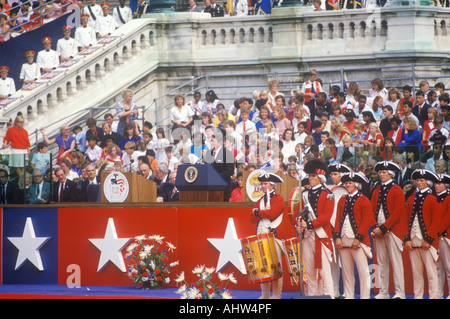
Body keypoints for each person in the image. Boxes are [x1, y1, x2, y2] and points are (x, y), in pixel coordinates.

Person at [333, 171, 375, 299]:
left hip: (358, 241)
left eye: (350, 183)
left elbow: (366, 220)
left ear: (356, 184)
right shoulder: (342, 199)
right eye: (346, 183)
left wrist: (358, 238)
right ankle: (349, 296)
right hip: (343, 239)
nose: (347, 185)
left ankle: (365, 297)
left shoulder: (364, 200)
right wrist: (337, 237)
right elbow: (338, 218)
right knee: (346, 272)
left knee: (363, 272)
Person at [297, 158, 335, 297]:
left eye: (313, 176)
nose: (310, 178)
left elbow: (326, 217)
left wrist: (309, 224)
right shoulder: (305, 194)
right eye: (309, 176)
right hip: (307, 236)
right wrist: (299, 225)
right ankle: (312, 296)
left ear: (320, 177)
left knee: (325, 272)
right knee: (310, 273)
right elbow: (298, 213)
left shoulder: (328, 194)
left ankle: (329, 296)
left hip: (321, 236)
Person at [370, 161, 407, 299]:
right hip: (378, 230)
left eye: (384, 172)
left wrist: (384, 227)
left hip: (393, 231)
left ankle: (400, 292)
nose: (381, 174)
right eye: (380, 172)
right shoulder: (376, 190)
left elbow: (397, 213)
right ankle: (384, 292)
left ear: (391, 174)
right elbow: (371, 210)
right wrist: (375, 226)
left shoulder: (397, 190)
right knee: (381, 262)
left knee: (396, 262)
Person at [404, 169, 441, 299]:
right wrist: (406, 239)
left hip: (426, 240)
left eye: (422, 181)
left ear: (428, 183)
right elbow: (406, 219)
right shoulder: (411, 198)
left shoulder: (432, 199)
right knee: (416, 272)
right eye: (418, 180)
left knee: (431, 273)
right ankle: (417, 296)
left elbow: (436, 220)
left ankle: (434, 296)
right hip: (413, 240)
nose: (419, 183)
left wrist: (429, 239)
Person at [250, 172, 286, 299]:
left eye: (265, 184)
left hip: (273, 238)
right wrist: (261, 213)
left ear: (272, 185)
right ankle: (265, 295)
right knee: (263, 268)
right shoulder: (260, 200)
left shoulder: (278, 199)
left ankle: (276, 295)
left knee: (276, 268)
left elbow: (273, 213)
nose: (262, 186)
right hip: (260, 237)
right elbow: (251, 218)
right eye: (261, 184)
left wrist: (258, 212)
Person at [435, 173, 450, 299]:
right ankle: (437, 294)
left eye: (439, 183)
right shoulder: (434, 198)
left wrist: (437, 232)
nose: (436, 186)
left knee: (448, 267)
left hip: (444, 236)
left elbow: (447, 218)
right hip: (435, 237)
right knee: (437, 268)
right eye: (435, 183)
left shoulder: (449, 198)